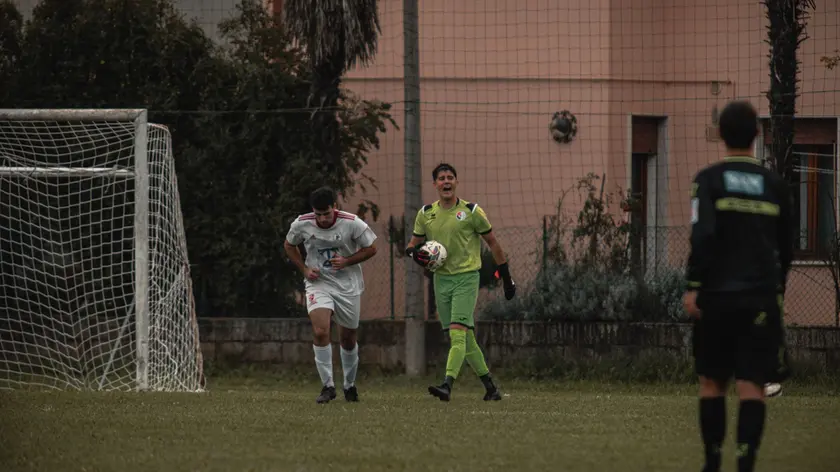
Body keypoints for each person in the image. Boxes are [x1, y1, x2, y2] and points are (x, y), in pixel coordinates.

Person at [683, 100, 793, 472]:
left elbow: (703, 236)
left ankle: (713, 462)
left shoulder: (708, 180)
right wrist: (776, 290)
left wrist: (694, 285)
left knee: (712, 382)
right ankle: (746, 463)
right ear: (757, 135)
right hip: (760, 297)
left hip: (717, 298)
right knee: (752, 385)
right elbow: (787, 246)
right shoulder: (775, 186)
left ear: (720, 135)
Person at [405, 163, 516, 402]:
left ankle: (447, 384)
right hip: (441, 281)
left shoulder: (472, 211)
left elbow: (493, 243)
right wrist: (418, 255)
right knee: (466, 339)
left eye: (450, 178)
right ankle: (491, 388)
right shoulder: (426, 214)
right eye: (441, 178)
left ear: (456, 182)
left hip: (466, 278)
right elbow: (411, 246)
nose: (446, 182)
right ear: (435, 184)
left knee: (457, 335)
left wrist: (506, 278)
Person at [284, 186, 378, 404]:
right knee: (320, 331)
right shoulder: (302, 223)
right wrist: (304, 269)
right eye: (318, 214)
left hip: (348, 285)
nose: (323, 219)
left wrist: (347, 261)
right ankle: (327, 386)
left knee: (347, 338)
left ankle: (349, 385)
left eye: (327, 213)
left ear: (335, 207)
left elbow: (372, 248)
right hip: (319, 283)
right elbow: (289, 245)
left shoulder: (351, 222)